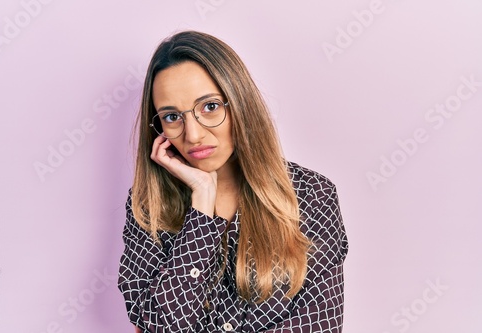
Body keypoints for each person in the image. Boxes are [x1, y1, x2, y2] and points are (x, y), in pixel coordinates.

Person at [117, 30, 349, 333]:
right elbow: (159, 325)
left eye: (210, 107)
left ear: (239, 103)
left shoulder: (312, 194)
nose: (193, 135)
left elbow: (320, 325)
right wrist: (201, 206)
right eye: (172, 116)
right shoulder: (148, 206)